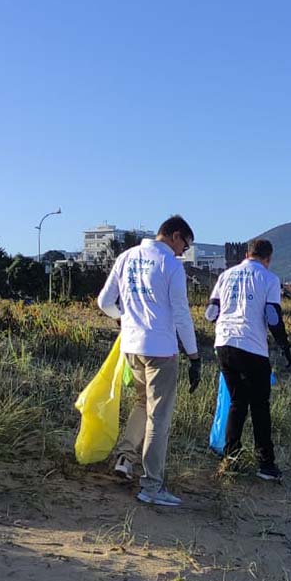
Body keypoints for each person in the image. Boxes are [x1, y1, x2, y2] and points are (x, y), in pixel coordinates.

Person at [97, 215, 201, 507]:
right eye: (185, 244)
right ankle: (152, 486)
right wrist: (194, 356)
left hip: (131, 347)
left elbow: (104, 302)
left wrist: (125, 319)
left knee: (143, 404)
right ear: (175, 235)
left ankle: (124, 458)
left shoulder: (126, 257)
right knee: (159, 418)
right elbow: (181, 315)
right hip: (161, 351)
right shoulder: (170, 265)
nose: (184, 251)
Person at [205, 238, 291, 482]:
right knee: (260, 406)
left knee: (237, 402)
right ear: (268, 258)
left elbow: (211, 312)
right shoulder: (269, 278)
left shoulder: (226, 275)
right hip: (252, 346)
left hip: (223, 344)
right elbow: (273, 316)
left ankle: (230, 456)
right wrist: (284, 346)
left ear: (246, 253)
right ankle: (266, 464)